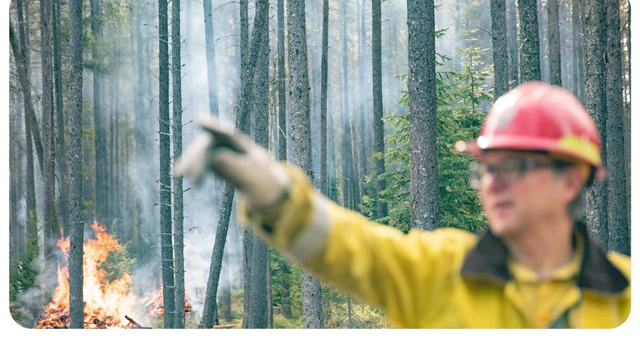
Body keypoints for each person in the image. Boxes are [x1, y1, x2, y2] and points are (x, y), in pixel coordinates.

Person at [175, 81, 630, 328]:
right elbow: (353, 247)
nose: (492, 183)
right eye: (486, 168)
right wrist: (273, 191)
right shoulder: (440, 271)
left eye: (513, 167)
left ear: (571, 179)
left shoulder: (627, 296)